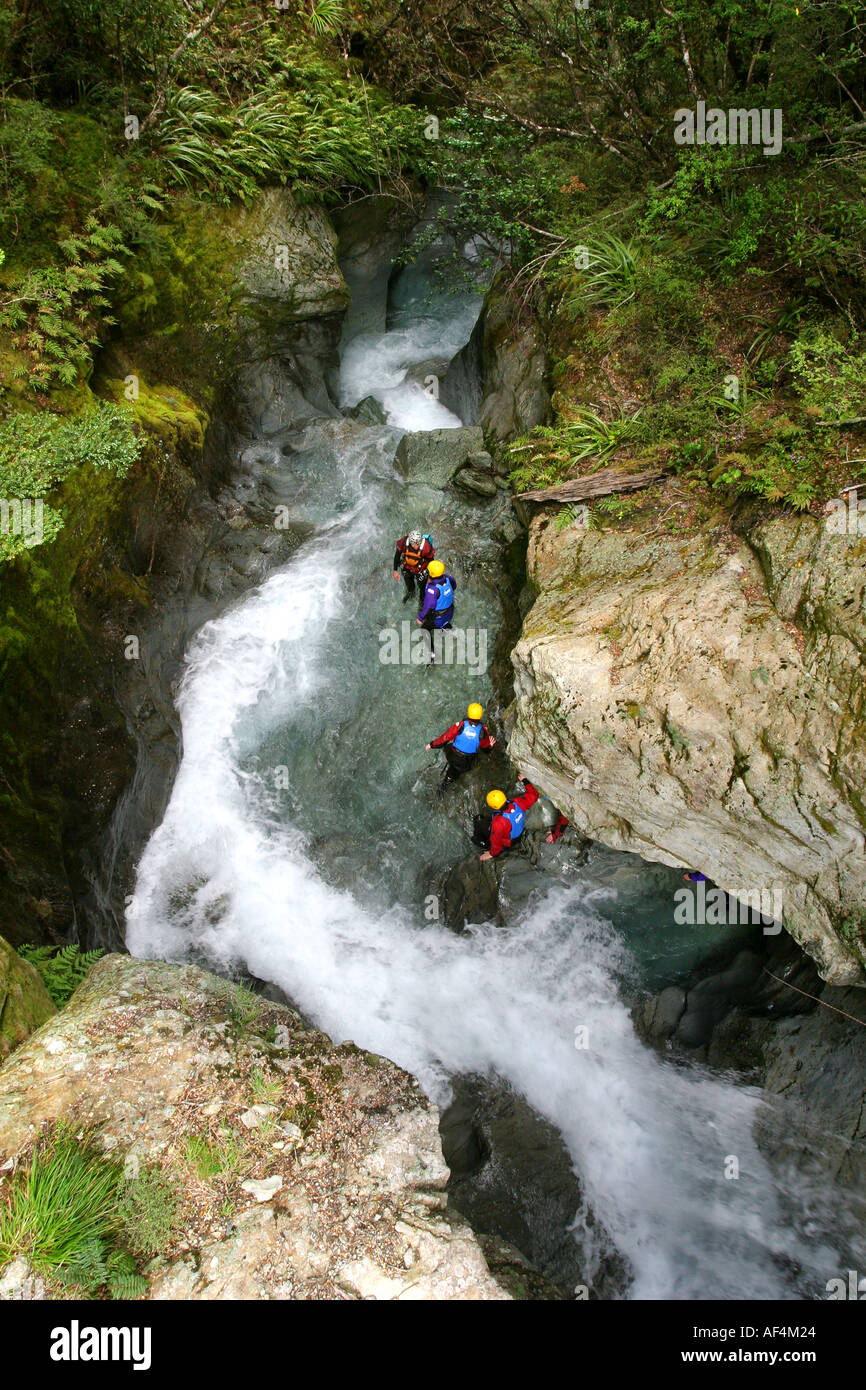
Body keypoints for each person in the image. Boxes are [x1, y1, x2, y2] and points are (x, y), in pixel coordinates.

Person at [426, 703, 496, 793]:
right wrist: (490, 745)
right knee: (454, 773)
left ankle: (439, 771)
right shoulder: (483, 732)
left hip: (452, 755)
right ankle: (443, 788)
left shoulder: (460, 725)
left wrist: (431, 745)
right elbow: (485, 749)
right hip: (465, 762)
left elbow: (444, 739)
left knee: (447, 748)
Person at [473, 777, 539, 861]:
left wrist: (491, 853)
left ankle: (483, 842)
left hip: (506, 844)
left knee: (478, 820)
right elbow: (534, 795)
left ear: (493, 806)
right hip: (517, 836)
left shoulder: (499, 822)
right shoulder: (518, 803)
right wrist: (525, 780)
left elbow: (496, 841)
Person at [417, 559, 455, 662]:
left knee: (424, 629)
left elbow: (428, 606)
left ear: (431, 573)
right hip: (450, 612)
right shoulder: (448, 578)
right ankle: (445, 627)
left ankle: (432, 654)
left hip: (439, 618)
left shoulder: (432, 589)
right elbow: (454, 586)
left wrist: (420, 617)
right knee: (442, 621)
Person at [393, 530, 435, 604]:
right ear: (410, 542)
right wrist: (395, 570)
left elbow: (431, 561)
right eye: (415, 544)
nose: (417, 546)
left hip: (421, 569)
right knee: (410, 586)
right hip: (407, 567)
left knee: (422, 588)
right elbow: (397, 555)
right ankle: (411, 594)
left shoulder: (426, 546)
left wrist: (430, 577)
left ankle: (422, 602)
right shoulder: (403, 543)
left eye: (418, 544)